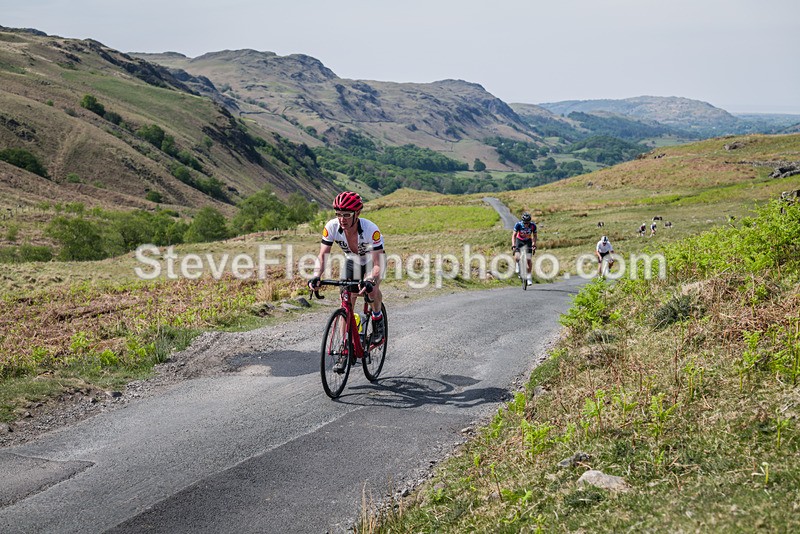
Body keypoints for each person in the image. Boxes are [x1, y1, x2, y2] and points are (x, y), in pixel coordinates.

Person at [308, 192, 386, 349]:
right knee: (346, 300)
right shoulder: (331, 227)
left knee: (371, 290)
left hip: (374, 261)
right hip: (353, 261)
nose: (342, 219)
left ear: (357, 214)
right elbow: (323, 255)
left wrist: (370, 279)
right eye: (338, 214)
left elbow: (378, 263)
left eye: (346, 215)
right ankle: (345, 344)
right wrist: (316, 275)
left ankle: (378, 321)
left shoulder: (371, 229)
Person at [512, 212, 537, 285]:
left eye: (527, 223)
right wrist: (513, 245)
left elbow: (535, 236)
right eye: (525, 223)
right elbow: (514, 235)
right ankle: (517, 264)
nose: (526, 224)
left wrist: (534, 244)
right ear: (522, 221)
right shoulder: (518, 224)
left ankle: (529, 277)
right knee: (517, 256)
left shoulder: (533, 226)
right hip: (519, 240)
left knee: (529, 260)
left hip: (528, 241)